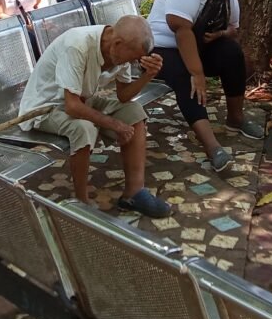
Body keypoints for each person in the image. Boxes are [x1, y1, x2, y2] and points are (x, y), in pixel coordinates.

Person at [18, 15, 171, 217]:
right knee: (84, 128)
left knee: (134, 112)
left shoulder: (120, 49)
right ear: (117, 43)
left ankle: (134, 194)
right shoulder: (78, 45)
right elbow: (72, 107)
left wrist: (148, 75)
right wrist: (114, 124)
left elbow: (124, 96)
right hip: (46, 108)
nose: (133, 63)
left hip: (83, 100)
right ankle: (82, 202)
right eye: (132, 58)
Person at [147, 0, 264, 173]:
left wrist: (219, 35)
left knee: (232, 52)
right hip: (161, 47)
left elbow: (233, 29)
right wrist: (197, 73)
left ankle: (236, 118)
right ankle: (212, 146)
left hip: (197, 45)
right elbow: (181, 30)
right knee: (186, 75)